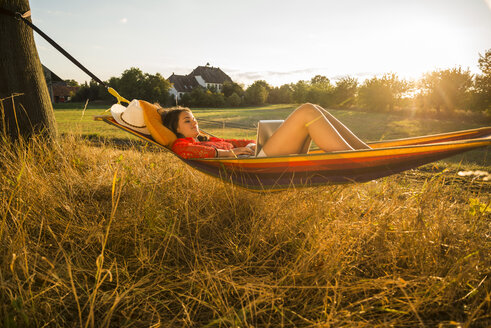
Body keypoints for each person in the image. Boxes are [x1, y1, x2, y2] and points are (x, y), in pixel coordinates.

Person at [160, 103, 370, 159]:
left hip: (261, 154)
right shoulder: (183, 144)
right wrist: (230, 153)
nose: (195, 123)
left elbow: (236, 142)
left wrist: (252, 144)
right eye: (188, 121)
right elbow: (187, 153)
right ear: (176, 128)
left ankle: (365, 152)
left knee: (316, 110)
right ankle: (355, 158)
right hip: (259, 163)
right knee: (306, 110)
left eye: (195, 119)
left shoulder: (209, 138)